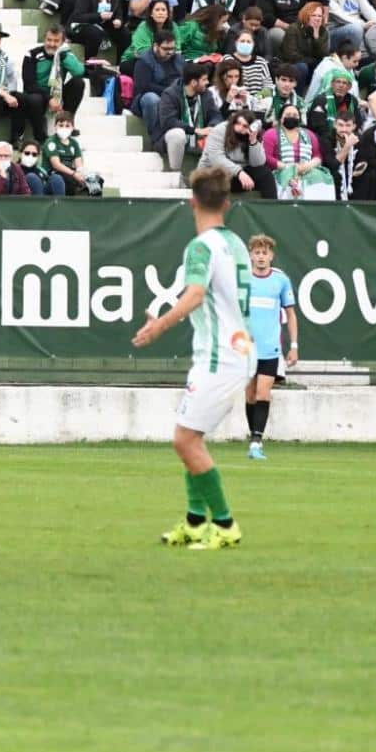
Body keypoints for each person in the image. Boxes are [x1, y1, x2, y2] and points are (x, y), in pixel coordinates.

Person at [131, 167, 249, 550]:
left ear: (192, 202)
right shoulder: (236, 243)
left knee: (184, 441)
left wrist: (159, 326)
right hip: (234, 350)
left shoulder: (201, 246)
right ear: (227, 204)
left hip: (219, 356)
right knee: (190, 436)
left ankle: (225, 524)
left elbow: (195, 294)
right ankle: (196, 522)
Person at [242, 234, 298, 462]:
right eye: (257, 252)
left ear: (271, 256)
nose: (261, 257)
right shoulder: (243, 280)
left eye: (264, 253)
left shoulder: (281, 280)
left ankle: (256, 442)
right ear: (251, 255)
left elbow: (291, 314)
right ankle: (254, 438)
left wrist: (293, 346)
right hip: (247, 349)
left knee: (263, 393)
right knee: (250, 395)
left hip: (270, 348)